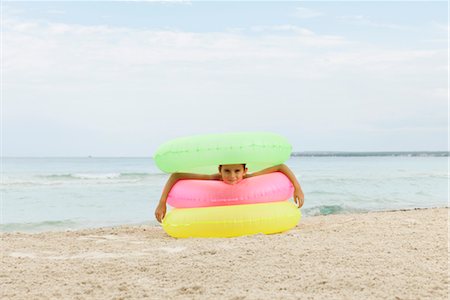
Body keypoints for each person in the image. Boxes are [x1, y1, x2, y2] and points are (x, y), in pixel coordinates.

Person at [154, 163, 304, 223]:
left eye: (237, 171)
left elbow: (280, 166)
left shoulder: (249, 177)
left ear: (245, 171)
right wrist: (162, 203)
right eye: (227, 171)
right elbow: (176, 175)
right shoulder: (214, 178)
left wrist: (297, 188)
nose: (232, 176)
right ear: (220, 170)